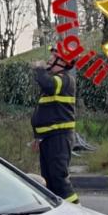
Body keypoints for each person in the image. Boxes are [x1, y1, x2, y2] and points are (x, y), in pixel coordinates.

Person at [31, 53, 78, 204]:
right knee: (48, 180)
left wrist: (39, 69)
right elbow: (44, 113)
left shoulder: (64, 79)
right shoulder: (56, 80)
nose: (48, 61)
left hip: (59, 137)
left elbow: (48, 85)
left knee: (59, 179)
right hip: (48, 138)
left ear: (63, 62)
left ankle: (77, 212)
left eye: (52, 59)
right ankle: (58, 214)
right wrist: (37, 136)